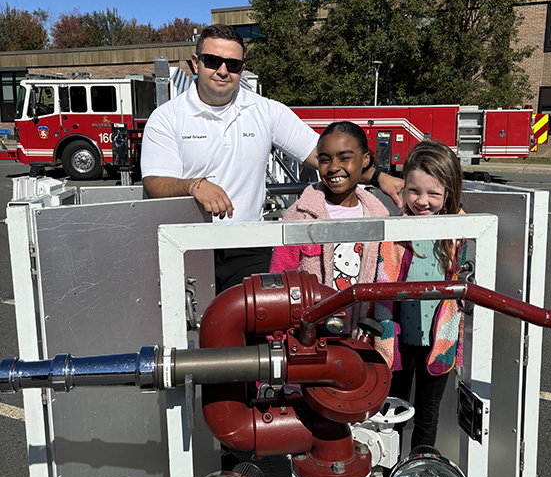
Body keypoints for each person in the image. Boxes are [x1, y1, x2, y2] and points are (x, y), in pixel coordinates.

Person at [141, 24, 403, 292]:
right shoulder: (167, 117)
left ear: (241, 69)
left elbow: (325, 158)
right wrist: (193, 185)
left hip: (247, 245)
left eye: (232, 64)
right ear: (196, 63)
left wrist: (380, 177)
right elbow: (154, 183)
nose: (222, 70)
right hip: (187, 244)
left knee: (252, 326)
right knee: (191, 327)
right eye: (213, 61)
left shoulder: (265, 111)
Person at [375, 139, 466, 452]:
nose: (422, 201)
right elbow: (382, 278)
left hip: (439, 339)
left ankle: (420, 466)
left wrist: (459, 215)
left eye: (434, 193)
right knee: (391, 411)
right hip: (398, 339)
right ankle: (389, 471)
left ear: (449, 193)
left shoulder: (458, 233)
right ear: (403, 189)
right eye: (414, 191)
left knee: (428, 413)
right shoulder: (395, 232)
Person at [270, 122, 388, 329]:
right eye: (325, 160)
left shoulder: (379, 216)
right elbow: (279, 277)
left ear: (366, 159)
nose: (334, 167)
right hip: (311, 334)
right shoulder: (300, 216)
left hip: (362, 334)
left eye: (345, 158)